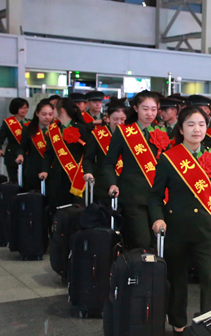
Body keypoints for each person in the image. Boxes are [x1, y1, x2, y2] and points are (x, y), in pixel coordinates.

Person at [149, 106, 211, 336]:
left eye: (202, 124)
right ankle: (178, 322)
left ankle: (209, 321)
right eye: (191, 124)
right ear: (181, 129)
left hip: (207, 228)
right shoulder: (169, 159)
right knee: (177, 278)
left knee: (210, 278)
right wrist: (157, 218)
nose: (197, 129)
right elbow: (154, 195)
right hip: (177, 227)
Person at [103, 90, 166, 250]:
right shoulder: (124, 132)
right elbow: (108, 163)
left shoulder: (161, 132)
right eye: (145, 108)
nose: (150, 113)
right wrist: (112, 184)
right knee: (141, 242)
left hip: (157, 197)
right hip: (133, 196)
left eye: (153, 109)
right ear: (136, 108)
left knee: (157, 242)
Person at [39, 97, 90, 209]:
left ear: (61, 110)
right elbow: (48, 153)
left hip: (76, 175)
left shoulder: (81, 128)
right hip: (57, 174)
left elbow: (88, 152)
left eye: (54, 110)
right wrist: (45, 170)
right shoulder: (53, 129)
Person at [83, 102, 127, 203]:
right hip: (104, 183)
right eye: (115, 119)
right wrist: (88, 172)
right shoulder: (98, 135)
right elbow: (88, 158)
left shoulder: (131, 134)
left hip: (126, 183)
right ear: (107, 118)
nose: (119, 123)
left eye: (123, 119)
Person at [0, 97, 29, 184]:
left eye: (26, 107)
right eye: (21, 108)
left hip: (27, 156)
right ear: (15, 109)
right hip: (12, 155)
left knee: (27, 181)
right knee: (13, 181)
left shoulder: (30, 123)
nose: (24, 110)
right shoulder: (8, 123)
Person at [20, 99, 52, 192]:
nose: (47, 117)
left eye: (50, 114)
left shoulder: (57, 130)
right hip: (34, 169)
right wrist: (20, 154)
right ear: (37, 113)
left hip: (52, 170)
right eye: (44, 114)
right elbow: (22, 147)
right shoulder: (29, 129)